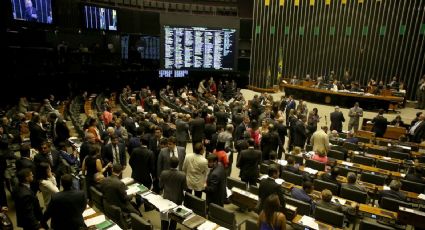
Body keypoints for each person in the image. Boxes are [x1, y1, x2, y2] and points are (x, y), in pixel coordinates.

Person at [159, 157, 187, 230]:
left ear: (169, 164)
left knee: (164, 218)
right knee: (174, 218)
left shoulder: (163, 173)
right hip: (177, 199)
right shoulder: (182, 175)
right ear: (178, 164)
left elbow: (160, 186)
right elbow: (185, 188)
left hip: (166, 197)